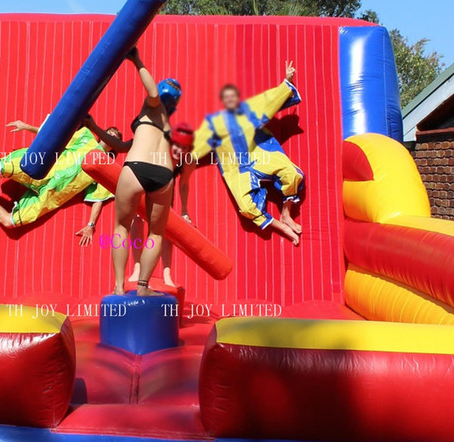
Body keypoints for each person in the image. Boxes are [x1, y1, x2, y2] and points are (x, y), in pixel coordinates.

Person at [84, 47, 181, 296]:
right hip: (163, 176)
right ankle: (143, 287)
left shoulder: (152, 107)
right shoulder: (164, 125)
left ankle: (118, 286)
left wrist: (137, 60)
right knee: (156, 233)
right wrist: (95, 127)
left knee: (121, 228)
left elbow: (153, 93)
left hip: (136, 168)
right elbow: (122, 146)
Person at [190, 61, 305, 245]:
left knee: (291, 173)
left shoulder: (245, 112)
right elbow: (193, 149)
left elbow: (269, 102)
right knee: (246, 207)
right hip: (236, 168)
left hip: (260, 155)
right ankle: (281, 226)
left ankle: (286, 213)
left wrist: (287, 82)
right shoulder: (211, 127)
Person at [0, 119, 119, 229]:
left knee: (9, 222)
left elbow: (98, 199)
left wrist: (91, 225)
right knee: (1, 167)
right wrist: (27, 127)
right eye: (109, 132)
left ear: (115, 146)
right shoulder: (86, 137)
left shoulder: (106, 166)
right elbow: (56, 138)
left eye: (115, 138)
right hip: (43, 169)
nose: (111, 136)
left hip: (50, 195)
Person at [128, 122, 195, 286]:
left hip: (165, 186)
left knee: (166, 228)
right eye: (177, 146)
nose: (179, 151)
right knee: (137, 221)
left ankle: (167, 273)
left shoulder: (188, 160)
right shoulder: (158, 150)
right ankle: (137, 267)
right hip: (144, 181)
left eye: (184, 148)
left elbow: (184, 184)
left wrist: (184, 211)